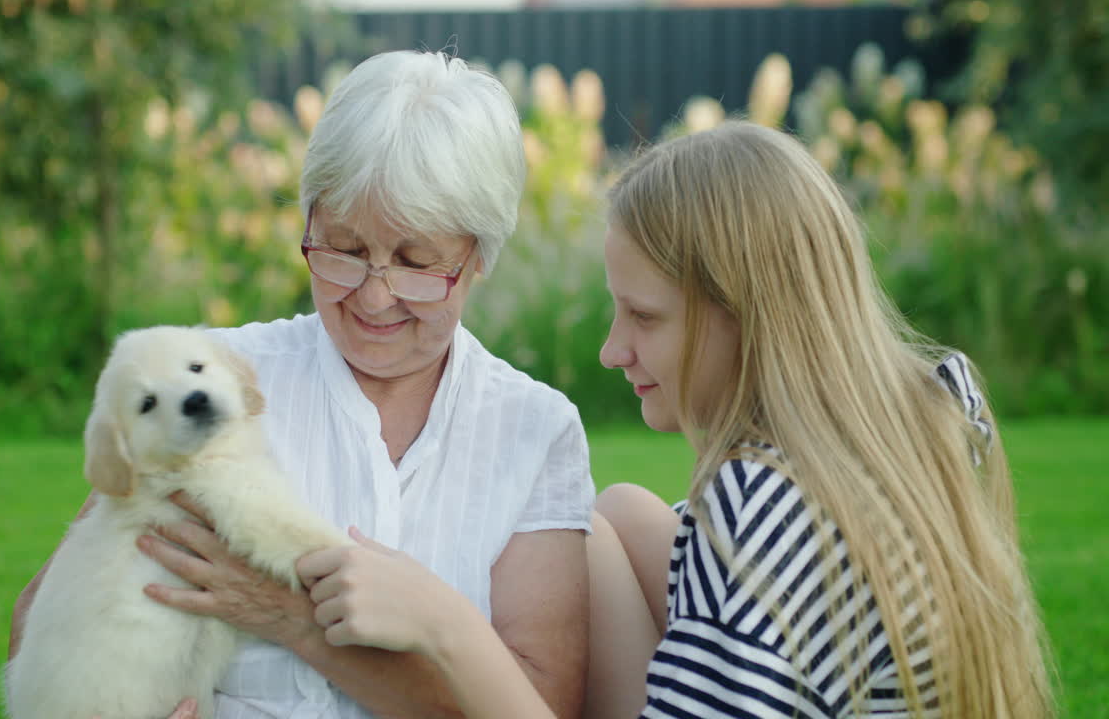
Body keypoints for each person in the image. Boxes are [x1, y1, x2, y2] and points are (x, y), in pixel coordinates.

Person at [294, 121, 1055, 718]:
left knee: (592, 535)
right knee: (616, 511)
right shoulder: (936, 408)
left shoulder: (761, 505)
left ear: (744, 318)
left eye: (644, 317)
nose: (611, 351)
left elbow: (755, 540)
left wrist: (447, 627)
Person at [8, 50, 595, 719]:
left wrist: (294, 619)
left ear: (478, 259)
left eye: (416, 263)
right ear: (308, 223)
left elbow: (540, 705)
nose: (375, 298)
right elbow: (43, 624)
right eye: (343, 250)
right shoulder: (215, 377)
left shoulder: (534, 428)